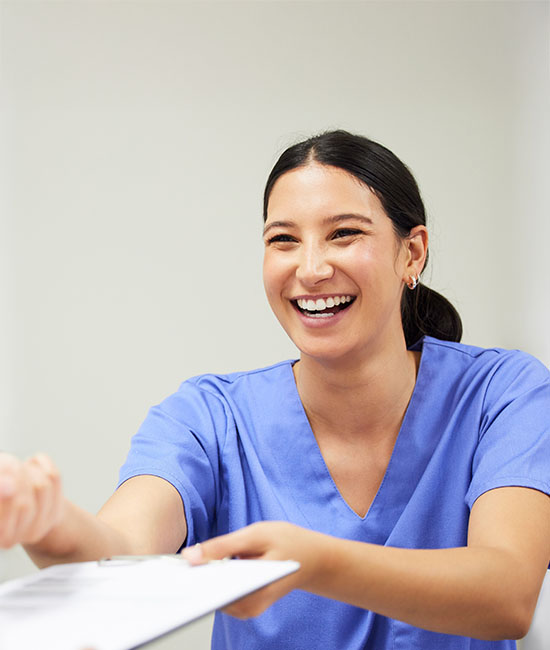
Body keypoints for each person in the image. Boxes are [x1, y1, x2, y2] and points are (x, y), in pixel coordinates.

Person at [1, 130, 549, 650]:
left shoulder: (505, 396)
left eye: (344, 233)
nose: (310, 269)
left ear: (412, 253)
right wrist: (50, 523)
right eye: (283, 240)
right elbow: (120, 554)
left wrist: (314, 563)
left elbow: (507, 592)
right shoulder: (209, 418)